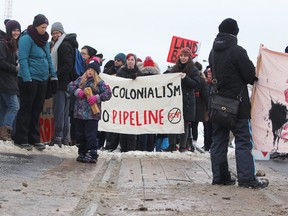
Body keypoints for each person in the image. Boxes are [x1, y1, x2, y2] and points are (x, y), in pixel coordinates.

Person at [208, 18, 268, 188]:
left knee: (219, 140)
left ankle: (220, 177)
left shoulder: (213, 52)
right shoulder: (237, 51)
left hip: (217, 103)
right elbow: (250, 76)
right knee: (243, 140)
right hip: (237, 104)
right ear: (235, 32)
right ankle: (247, 178)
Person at [14, 14, 58, 151]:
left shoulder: (44, 40)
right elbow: (23, 59)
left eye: (46, 27)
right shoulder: (26, 38)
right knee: (26, 109)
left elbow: (48, 59)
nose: (44, 30)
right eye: (42, 27)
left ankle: (34, 138)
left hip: (42, 79)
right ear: (36, 26)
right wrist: (27, 79)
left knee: (37, 109)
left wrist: (53, 76)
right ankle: (21, 138)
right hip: (29, 79)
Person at [67, 60, 111, 163]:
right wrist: (78, 92)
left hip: (92, 115)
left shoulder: (99, 83)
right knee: (80, 135)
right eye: (88, 69)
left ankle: (92, 153)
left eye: (92, 70)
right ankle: (82, 152)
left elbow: (108, 93)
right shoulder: (80, 80)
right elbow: (70, 86)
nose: (89, 72)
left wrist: (97, 98)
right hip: (79, 114)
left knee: (91, 135)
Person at [49, 22, 78, 147]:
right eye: (53, 33)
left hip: (61, 83)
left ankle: (58, 137)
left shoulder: (63, 45)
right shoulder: (64, 44)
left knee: (59, 111)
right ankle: (65, 138)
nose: (55, 35)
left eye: (57, 33)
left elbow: (67, 65)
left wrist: (55, 74)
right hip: (67, 83)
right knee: (64, 112)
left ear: (61, 33)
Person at [166, 47, 200, 152]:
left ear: (189, 57)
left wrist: (185, 78)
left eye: (185, 56)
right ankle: (172, 145)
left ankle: (182, 146)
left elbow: (195, 84)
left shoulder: (193, 69)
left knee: (184, 124)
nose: (183, 58)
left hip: (187, 101)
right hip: (175, 99)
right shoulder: (175, 68)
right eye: (181, 55)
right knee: (172, 121)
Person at [0, 20, 21, 141]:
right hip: (5, 81)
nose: (16, 32)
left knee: (3, 107)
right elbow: (1, 62)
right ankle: (6, 133)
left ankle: (2, 135)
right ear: (9, 31)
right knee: (14, 106)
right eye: (14, 30)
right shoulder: (3, 44)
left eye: (18, 30)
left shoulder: (12, 44)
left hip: (9, 81)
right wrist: (15, 68)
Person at [116, 53, 142, 152]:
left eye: (132, 60)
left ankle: (131, 149)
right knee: (123, 126)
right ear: (126, 61)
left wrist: (137, 78)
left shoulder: (139, 73)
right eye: (128, 59)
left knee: (132, 127)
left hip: (134, 104)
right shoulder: (121, 72)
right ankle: (123, 148)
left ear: (135, 61)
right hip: (123, 103)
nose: (130, 61)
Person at [103, 52, 126, 152]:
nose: (116, 61)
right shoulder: (110, 70)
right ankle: (109, 145)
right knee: (110, 122)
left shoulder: (125, 71)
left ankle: (119, 145)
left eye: (119, 60)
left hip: (122, 101)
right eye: (115, 59)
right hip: (111, 100)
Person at [137, 56, 161, 151]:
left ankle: (142, 149)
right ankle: (150, 149)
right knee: (151, 129)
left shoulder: (140, 76)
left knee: (143, 128)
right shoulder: (157, 78)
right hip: (153, 106)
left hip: (142, 105)